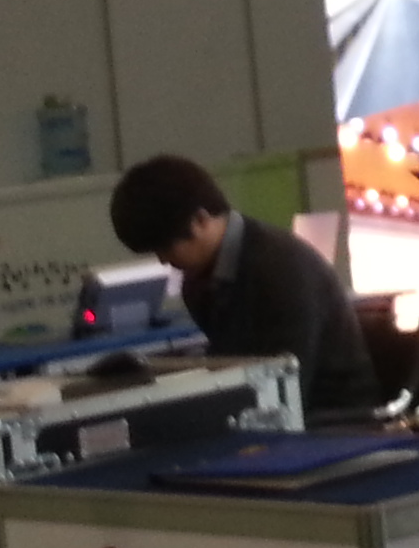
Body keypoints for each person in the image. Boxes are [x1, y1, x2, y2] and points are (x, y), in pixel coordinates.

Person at [105, 156, 381, 420]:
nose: (164, 261)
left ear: (200, 220)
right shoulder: (200, 282)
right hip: (281, 407)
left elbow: (286, 382)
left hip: (334, 417)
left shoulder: (280, 269)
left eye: (165, 247)